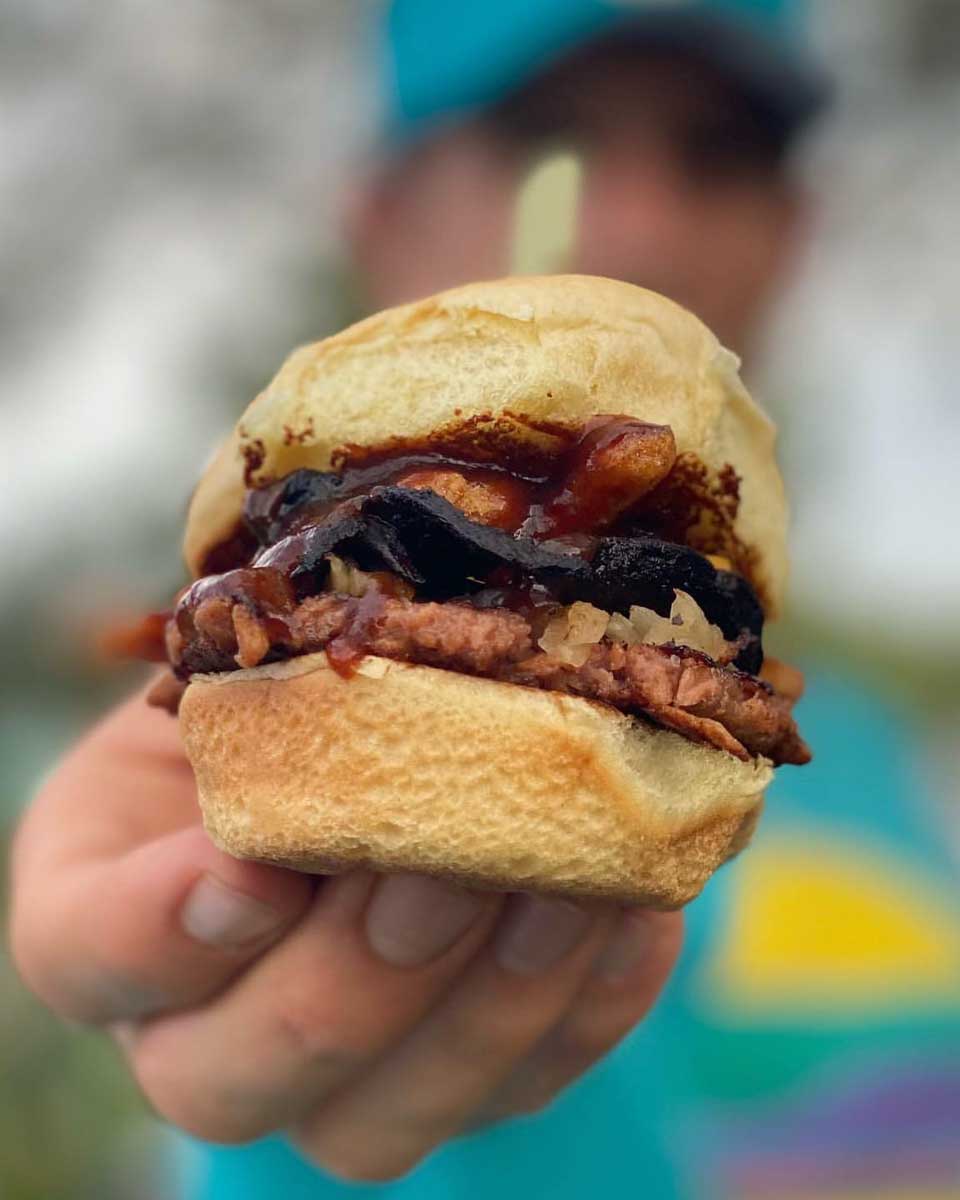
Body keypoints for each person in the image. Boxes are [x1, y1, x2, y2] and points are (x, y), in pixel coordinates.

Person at [11, 2, 960, 1198]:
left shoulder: (897, 766)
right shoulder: (194, 758)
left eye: (719, 152)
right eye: (548, 145)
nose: (641, 224)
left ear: (795, 230)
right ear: (381, 216)